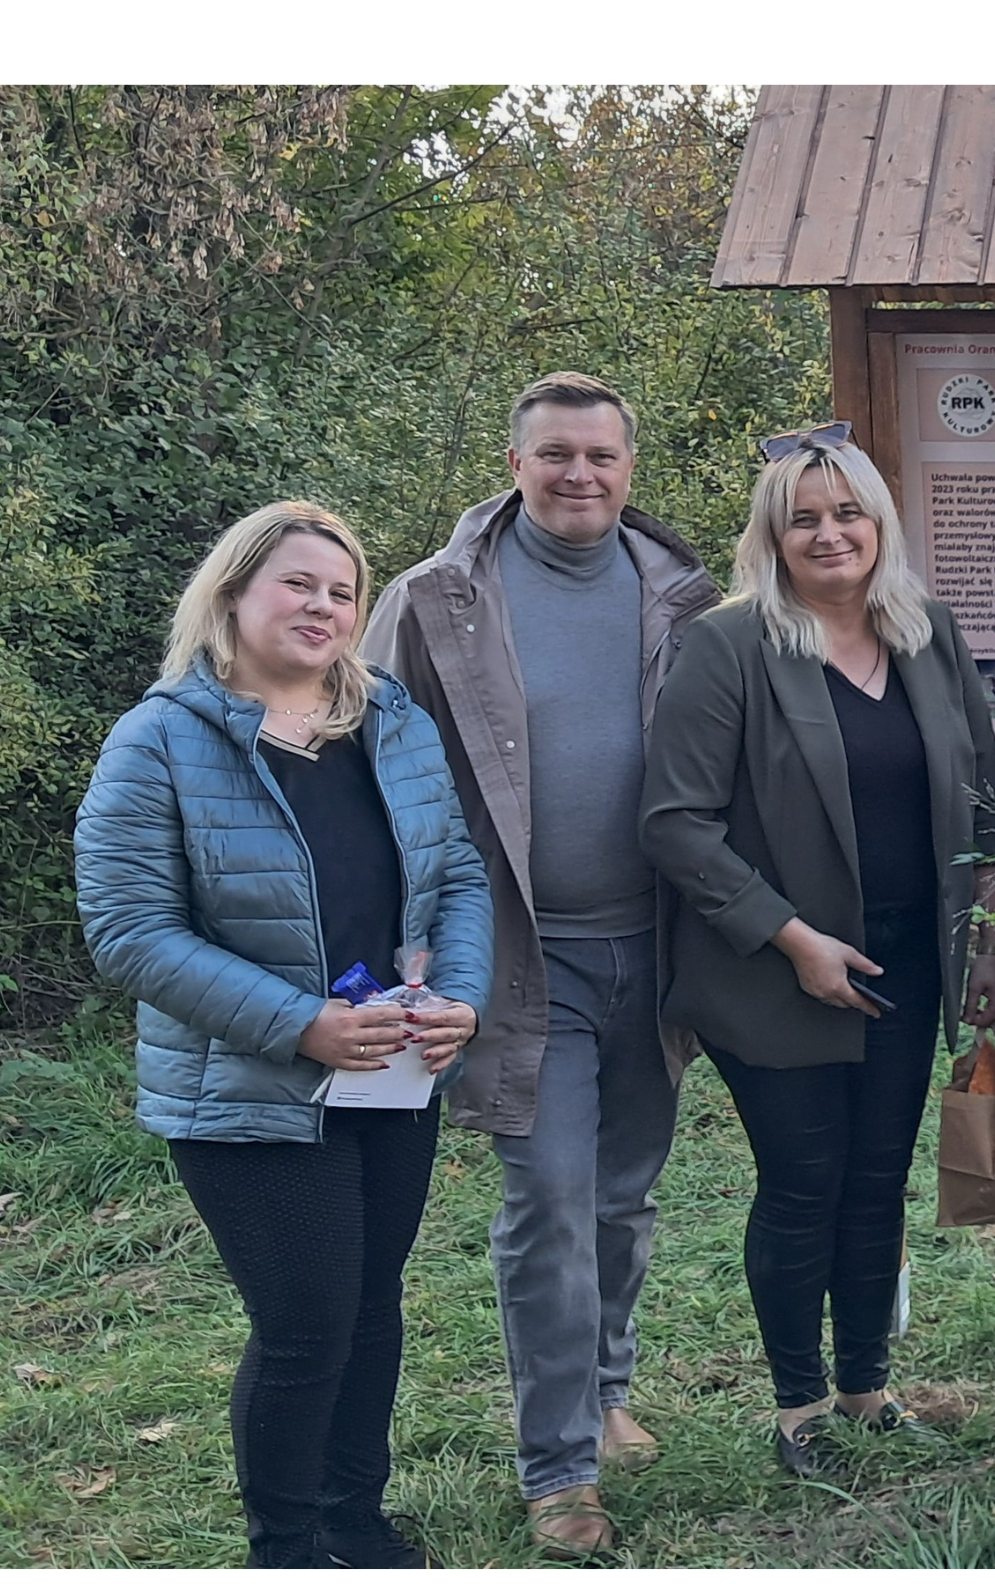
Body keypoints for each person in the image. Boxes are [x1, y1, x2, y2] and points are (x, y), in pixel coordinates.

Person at [76, 503, 491, 1568]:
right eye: (297, 583)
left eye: (342, 590)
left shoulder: (390, 720)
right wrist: (299, 1024)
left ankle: (355, 1521)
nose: (323, 606)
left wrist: (463, 997)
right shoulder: (159, 738)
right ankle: (289, 1547)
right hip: (244, 1088)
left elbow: (457, 880)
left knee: (371, 1310)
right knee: (307, 1322)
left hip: (393, 1073)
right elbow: (128, 933)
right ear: (232, 595)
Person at [362, 372, 720, 1556]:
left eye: (601, 457)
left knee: (622, 1195)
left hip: (656, 946)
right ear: (515, 463)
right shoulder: (433, 600)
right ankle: (558, 1468)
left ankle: (607, 1392)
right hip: (516, 957)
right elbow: (370, 771)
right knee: (551, 1198)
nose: (580, 475)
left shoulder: (685, 594)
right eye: (556, 455)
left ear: (630, 467)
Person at [638, 427, 995, 1480]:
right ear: (773, 534)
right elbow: (674, 823)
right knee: (804, 1183)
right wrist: (793, 939)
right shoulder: (727, 648)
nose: (828, 532)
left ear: (879, 523)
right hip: (773, 973)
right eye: (803, 517)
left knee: (877, 1182)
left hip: (906, 965)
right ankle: (798, 1405)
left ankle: (868, 1388)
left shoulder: (927, 633)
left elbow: (987, 802)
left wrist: (991, 944)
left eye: (846, 512)